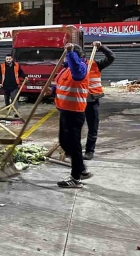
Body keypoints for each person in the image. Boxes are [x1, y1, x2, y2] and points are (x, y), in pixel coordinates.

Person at [49, 43, 92, 188]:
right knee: (64, 142)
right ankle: (81, 169)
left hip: (75, 112)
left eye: (69, 55)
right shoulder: (65, 69)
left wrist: (71, 52)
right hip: (64, 111)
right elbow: (60, 84)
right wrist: (53, 90)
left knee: (73, 145)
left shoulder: (81, 68)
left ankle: (76, 177)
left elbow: (77, 73)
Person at [82, 41, 115, 160]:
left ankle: (89, 151)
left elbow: (111, 57)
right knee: (75, 127)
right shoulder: (73, 67)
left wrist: (101, 47)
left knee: (92, 127)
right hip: (78, 101)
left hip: (92, 100)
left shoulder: (95, 64)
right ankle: (72, 150)